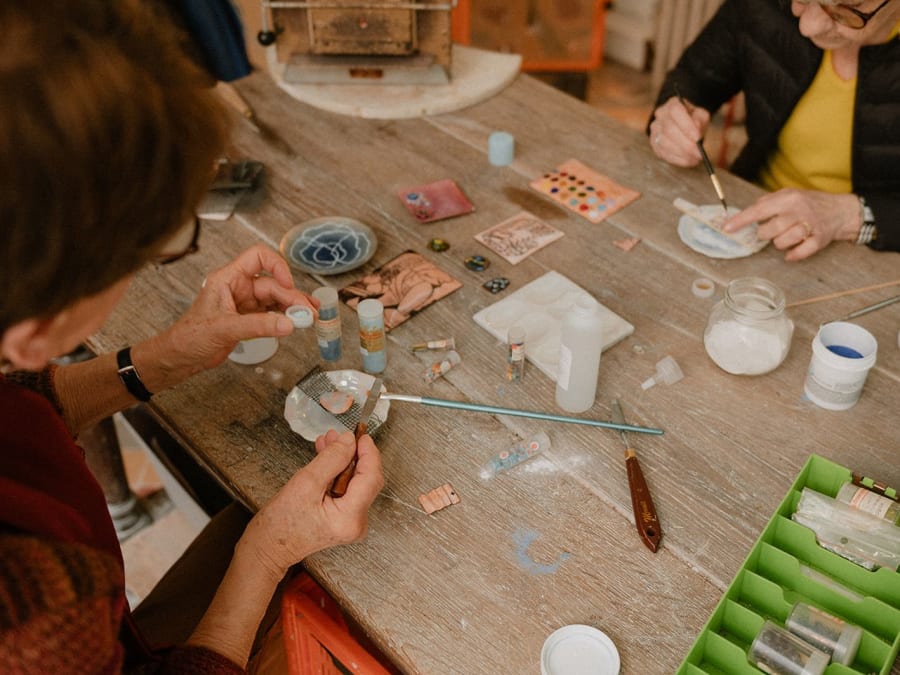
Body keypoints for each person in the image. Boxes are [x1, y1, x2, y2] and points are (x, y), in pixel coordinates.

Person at [0, 1, 384, 672]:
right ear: (36, 331)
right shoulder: (30, 610)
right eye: (157, 244)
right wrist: (267, 549)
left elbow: (12, 406)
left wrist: (153, 362)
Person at [648, 0, 900, 261]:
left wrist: (852, 215)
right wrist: (672, 118)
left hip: (874, 256)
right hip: (753, 213)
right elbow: (692, 77)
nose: (807, 26)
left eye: (844, 12)